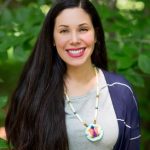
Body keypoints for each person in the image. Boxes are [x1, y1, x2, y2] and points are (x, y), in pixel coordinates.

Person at [1, 0, 140, 149]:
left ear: (96, 35)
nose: (74, 40)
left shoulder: (120, 90)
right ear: (52, 38)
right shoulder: (34, 91)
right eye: (64, 31)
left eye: (83, 29)